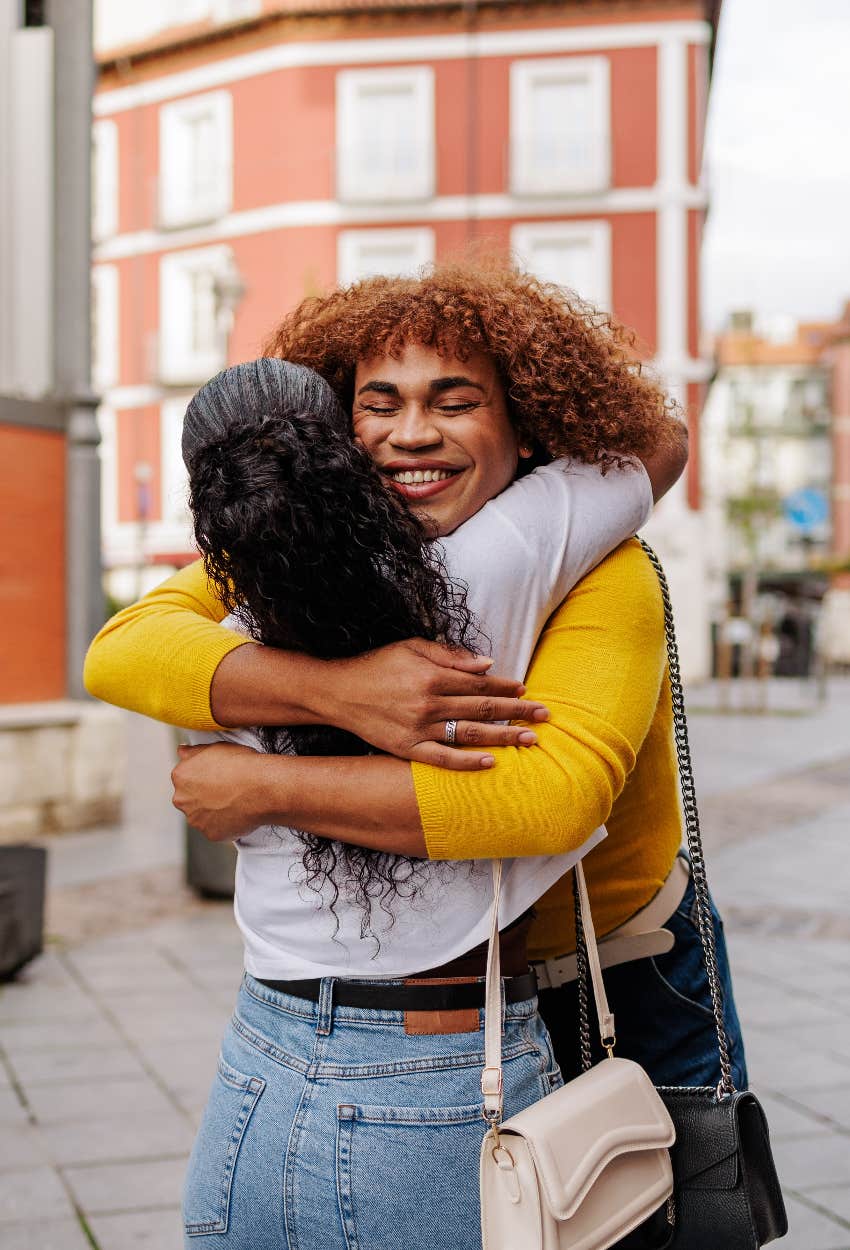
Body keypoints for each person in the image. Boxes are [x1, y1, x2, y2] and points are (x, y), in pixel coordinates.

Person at [85, 259, 746, 1247]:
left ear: (528, 425)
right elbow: (125, 645)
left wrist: (259, 780)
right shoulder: (314, 566)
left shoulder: (594, 567)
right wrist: (343, 690)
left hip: (616, 970)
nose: (409, 432)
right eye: (376, 403)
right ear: (335, 434)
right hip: (401, 1034)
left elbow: (545, 797)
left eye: (454, 399)